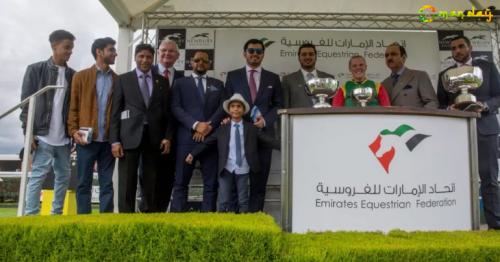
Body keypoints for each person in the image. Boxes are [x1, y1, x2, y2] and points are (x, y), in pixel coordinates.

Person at [437, 35, 500, 230]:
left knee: (489, 179)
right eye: (454, 48)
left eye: (461, 46)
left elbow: (499, 95)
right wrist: (450, 110)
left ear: (470, 47)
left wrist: (485, 106)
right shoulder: (445, 75)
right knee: (459, 179)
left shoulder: (487, 68)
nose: (457, 51)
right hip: (457, 133)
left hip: (486, 129)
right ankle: (461, 224)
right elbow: (441, 104)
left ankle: (495, 225)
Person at [185, 93, 280, 213]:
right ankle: (223, 226)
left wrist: (285, 146)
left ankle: (242, 225)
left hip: (243, 168)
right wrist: (193, 154)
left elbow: (267, 140)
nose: (236, 109)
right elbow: (207, 143)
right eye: (233, 106)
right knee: (224, 200)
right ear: (229, 110)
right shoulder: (222, 129)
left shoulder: (251, 128)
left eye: (239, 106)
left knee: (243, 200)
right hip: (226, 168)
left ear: (243, 110)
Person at [109, 43, 174, 213]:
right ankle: (126, 218)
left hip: (154, 137)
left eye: (148, 57)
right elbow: (115, 112)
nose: (145, 60)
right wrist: (114, 141)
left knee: (151, 180)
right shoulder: (123, 79)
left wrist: (167, 137)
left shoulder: (162, 80)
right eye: (141, 56)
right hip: (129, 137)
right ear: (135, 57)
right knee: (127, 181)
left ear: (153, 59)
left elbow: (167, 112)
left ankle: (148, 215)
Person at [20, 29, 75, 215]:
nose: (69, 52)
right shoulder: (35, 70)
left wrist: (73, 133)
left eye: (71, 48)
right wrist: (28, 133)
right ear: (54, 46)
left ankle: (56, 215)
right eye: (66, 47)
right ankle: (31, 216)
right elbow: (26, 105)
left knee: (63, 178)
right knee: (37, 177)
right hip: (42, 136)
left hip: (64, 139)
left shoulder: (73, 75)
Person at [225, 38, 283, 212]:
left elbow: (279, 105)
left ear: (263, 55)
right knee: (235, 183)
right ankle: (236, 221)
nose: (255, 54)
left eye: (259, 51)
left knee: (259, 183)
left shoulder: (273, 78)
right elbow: (227, 103)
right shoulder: (233, 76)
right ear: (245, 54)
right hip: (238, 137)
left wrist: (265, 120)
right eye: (251, 51)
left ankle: (255, 218)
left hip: (264, 136)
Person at [170, 51, 226, 212]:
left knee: (210, 185)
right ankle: (178, 220)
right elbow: (175, 107)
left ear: (209, 64)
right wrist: (195, 125)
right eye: (197, 60)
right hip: (186, 140)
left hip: (210, 140)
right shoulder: (180, 83)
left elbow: (223, 108)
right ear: (191, 63)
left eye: (204, 60)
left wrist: (208, 126)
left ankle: (207, 221)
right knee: (180, 183)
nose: (200, 63)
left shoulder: (218, 84)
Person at [67, 37, 117, 214]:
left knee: (107, 185)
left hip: (108, 142)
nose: (115, 53)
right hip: (85, 141)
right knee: (83, 183)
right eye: (111, 50)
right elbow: (73, 107)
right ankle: (83, 221)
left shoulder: (117, 79)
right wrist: (73, 131)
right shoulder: (80, 77)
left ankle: (105, 223)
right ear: (99, 52)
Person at [148, 38, 184, 212]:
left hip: (174, 137)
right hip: (149, 136)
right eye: (163, 50)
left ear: (177, 55)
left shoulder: (183, 78)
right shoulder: (147, 73)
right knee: (147, 177)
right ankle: (147, 212)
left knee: (168, 178)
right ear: (158, 53)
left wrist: (169, 136)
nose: (167, 54)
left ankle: (161, 212)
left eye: (171, 51)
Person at [381, 42, 438, 108]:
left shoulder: (420, 76)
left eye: (393, 54)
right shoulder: (384, 84)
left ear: (404, 58)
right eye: (386, 55)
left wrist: (418, 117)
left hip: (414, 118)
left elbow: (432, 103)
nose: (389, 58)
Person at [282, 43, 335, 108]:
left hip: (324, 117)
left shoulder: (329, 78)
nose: (307, 57)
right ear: (299, 58)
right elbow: (285, 107)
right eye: (304, 54)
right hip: (299, 118)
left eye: (311, 54)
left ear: (316, 57)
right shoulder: (288, 80)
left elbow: (334, 105)